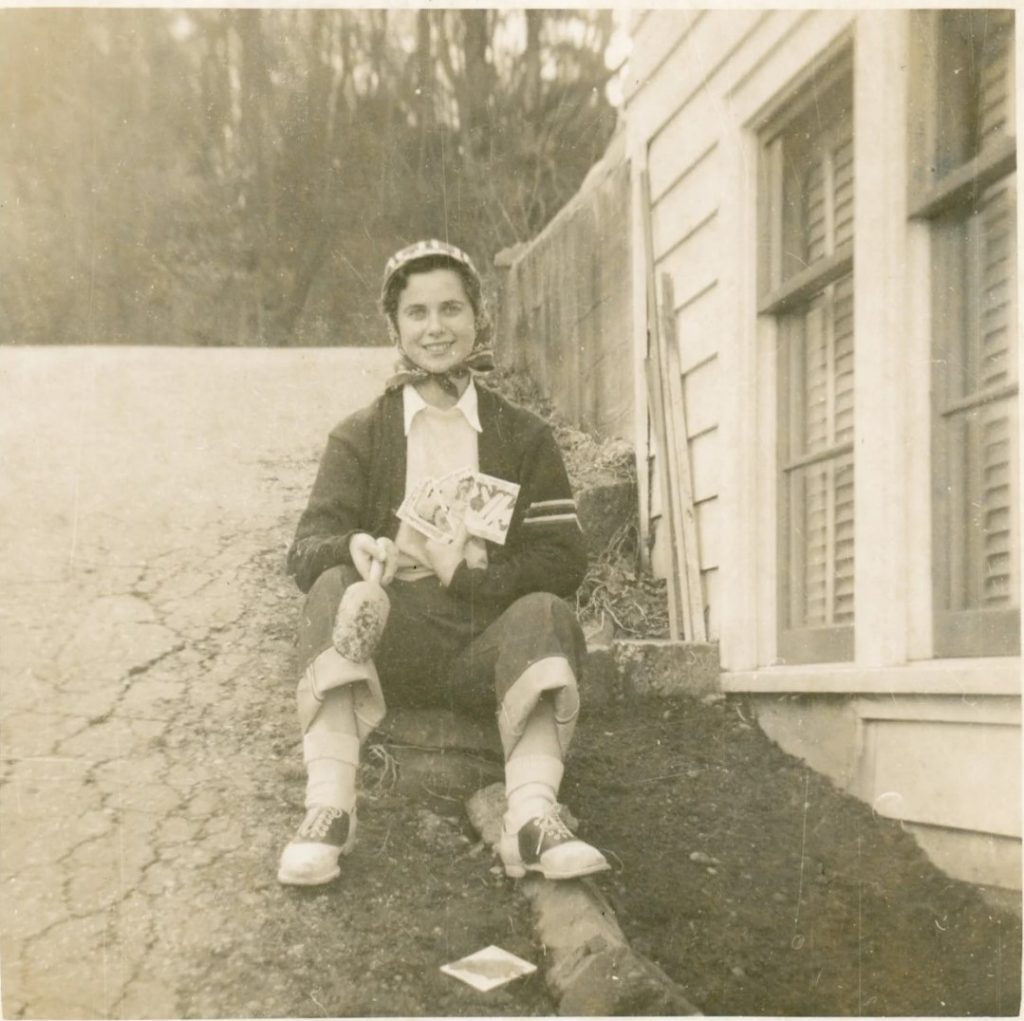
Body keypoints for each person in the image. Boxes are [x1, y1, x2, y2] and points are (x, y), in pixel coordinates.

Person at [278, 238, 610, 887]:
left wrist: (475, 576)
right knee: (333, 587)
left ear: (478, 318)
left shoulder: (523, 435)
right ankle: (328, 809)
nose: (436, 328)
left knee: (545, 611)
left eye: (451, 309)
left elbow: (563, 558)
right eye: (418, 312)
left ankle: (535, 816)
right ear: (395, 327)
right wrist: (355, 547)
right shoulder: (361, 434)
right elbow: (306, 547)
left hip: (485, 645)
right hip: (394, 640)